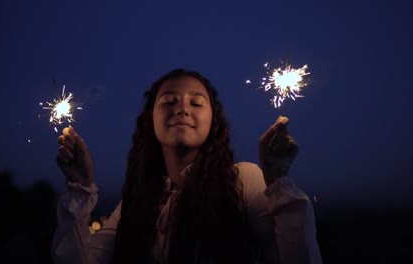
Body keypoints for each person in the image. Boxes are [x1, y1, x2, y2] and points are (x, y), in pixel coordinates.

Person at [52, 68, 323, 264]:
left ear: (212, 122)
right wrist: (80, 186)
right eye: (169, 101)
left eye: (196, 102)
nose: (182, 109)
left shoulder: (243, 180)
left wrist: (277, 179)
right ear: (151, 121)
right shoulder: (137, 202)